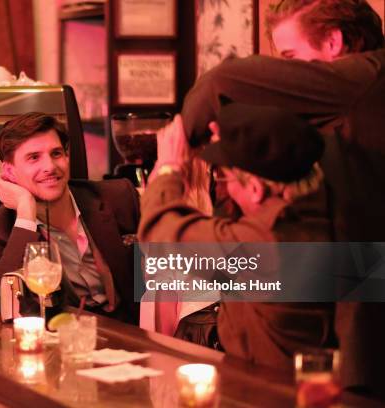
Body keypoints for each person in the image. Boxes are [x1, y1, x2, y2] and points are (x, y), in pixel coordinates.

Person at [180, 0, 385, 394]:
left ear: (334, 42)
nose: (286, 73)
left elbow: (221, 82)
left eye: (291, 58)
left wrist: (177, 155)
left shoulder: (364, 81)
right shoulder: (346, 107)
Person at [140, 102, 336, 369]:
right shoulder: (318, 215)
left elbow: (160, 234)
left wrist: (168, 169)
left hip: (266, 394)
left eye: (224, 177)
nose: (221, 186)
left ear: (255, 189)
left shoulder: (262, 245)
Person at [0, 112, 140, 324]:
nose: (50, 167)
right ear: (9, 172)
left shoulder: (119, 197)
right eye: (34, 157)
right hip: (63, 339)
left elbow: (175, 276)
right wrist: (26, 212)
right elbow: (1, 296)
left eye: (56, 153)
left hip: (138, 333)